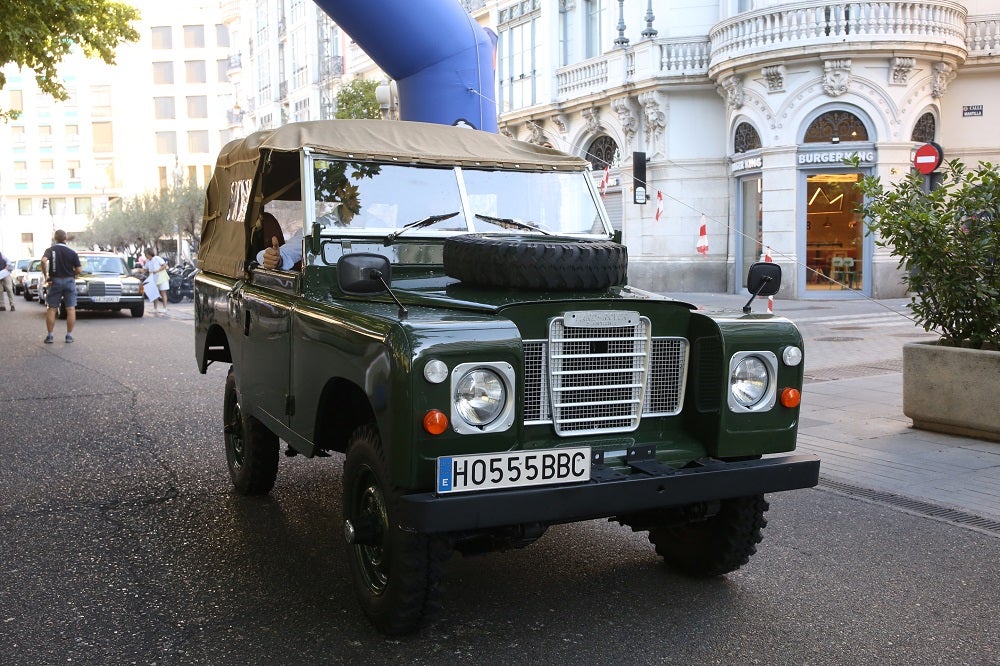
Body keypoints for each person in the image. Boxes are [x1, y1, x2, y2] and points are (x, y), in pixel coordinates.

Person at [41, 229, 82, 343]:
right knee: (70, 308)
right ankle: (69, 336)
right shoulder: (72, 252)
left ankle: (50, 336)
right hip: (69, 281)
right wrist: (71, 273)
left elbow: (43, 261)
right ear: (65, 238)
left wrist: (46, 276)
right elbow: (79, 269)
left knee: (52, 308)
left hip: (55, 281)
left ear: (55, 238)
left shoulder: (50, 250)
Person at [143, 249, 170, 315]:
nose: (145, 256)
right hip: (153, 278)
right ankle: (155, 308)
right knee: (154, 293)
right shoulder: (148, 261)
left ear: (149, 254)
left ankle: (164, 308)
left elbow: (164, 265)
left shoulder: (157, 258)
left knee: (163, 292)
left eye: (146, 254)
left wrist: (157, 270)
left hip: (161, 277)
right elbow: (145, 269)